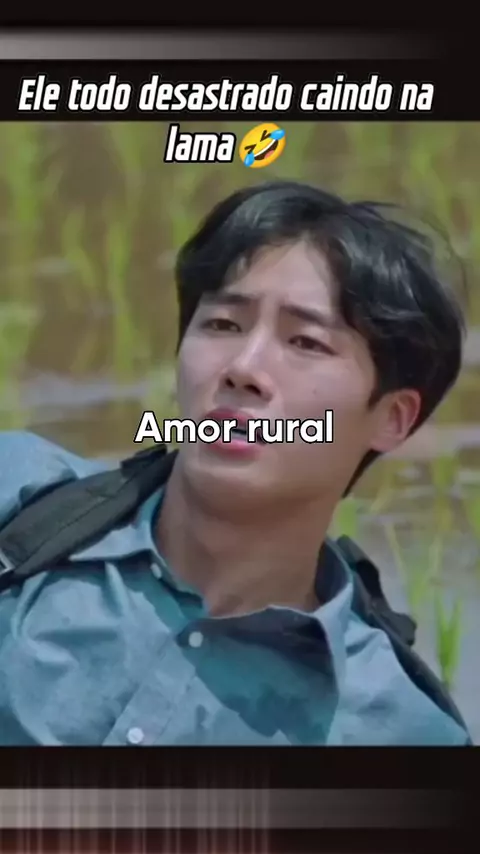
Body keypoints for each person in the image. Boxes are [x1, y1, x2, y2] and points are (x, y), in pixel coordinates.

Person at [0, 180, 471, 746]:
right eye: (223, 324)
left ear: (393, 418)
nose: (243, 368)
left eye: (305, 342)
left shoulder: (401, 736)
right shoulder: (19, 499)